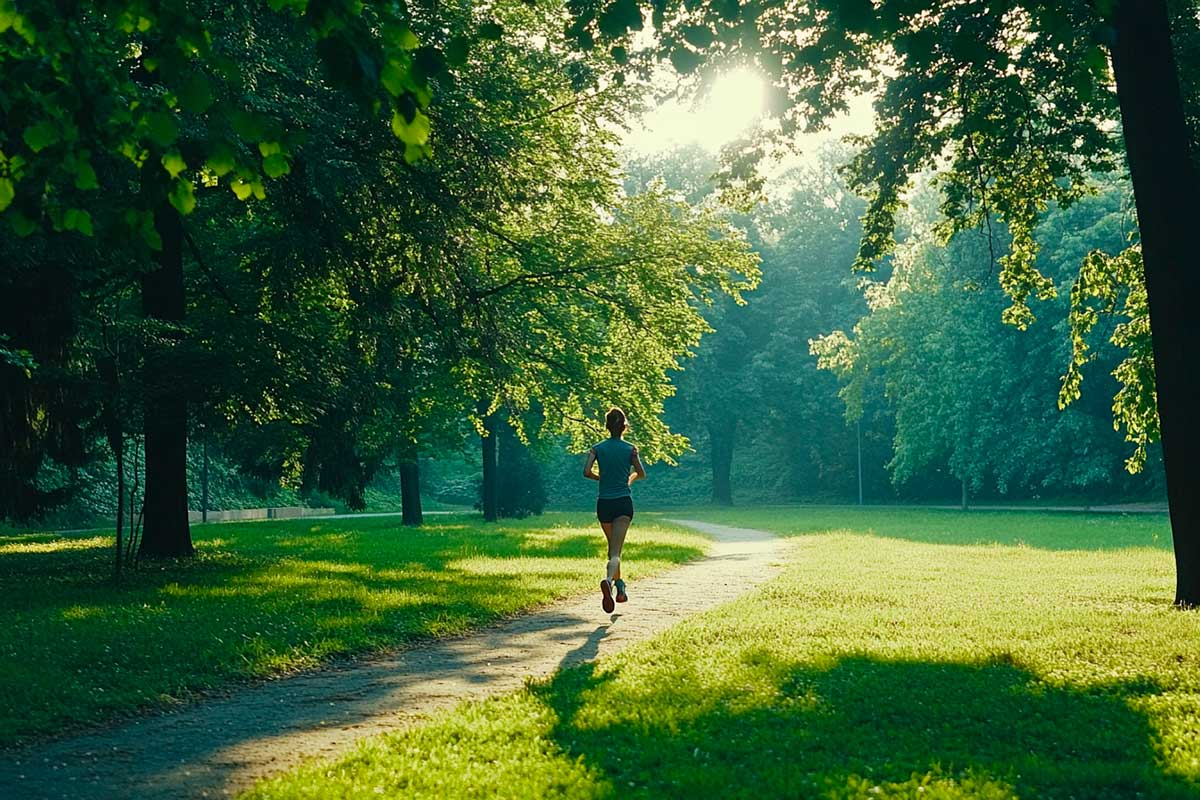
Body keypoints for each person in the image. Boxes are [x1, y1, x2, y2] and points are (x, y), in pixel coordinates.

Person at [583, 406, 646, 613]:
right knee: (615, 553)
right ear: (624, 426)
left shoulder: (597, 448)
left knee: (612, 550)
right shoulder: (630, 449)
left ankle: (620, 588)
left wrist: (601, 478)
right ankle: (609, 581)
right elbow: (641, 473)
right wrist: (630, 479)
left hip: (604, 503)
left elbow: (586, 472)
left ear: (607, 426)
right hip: (623, 503)